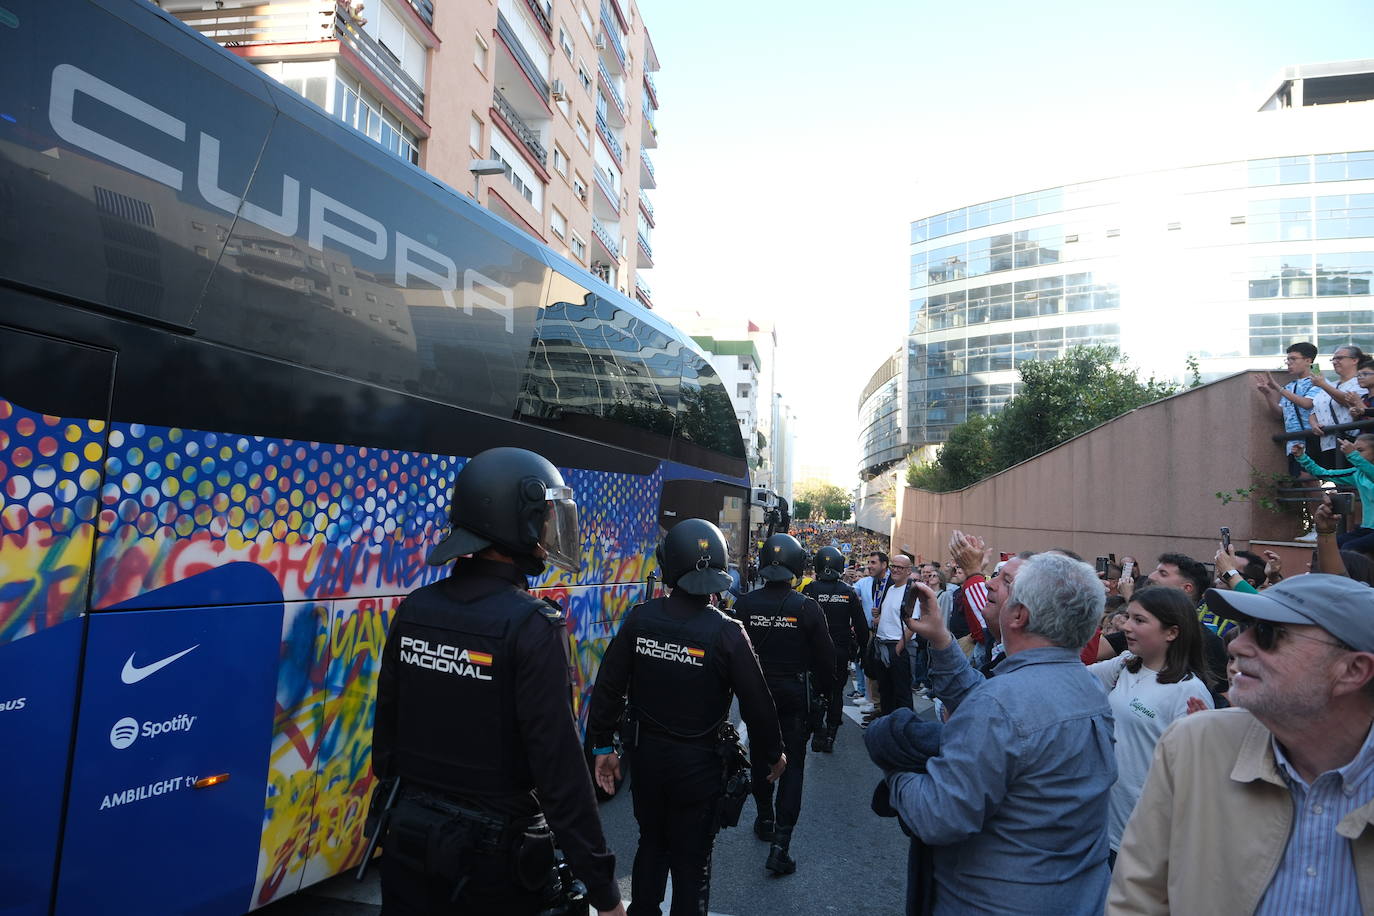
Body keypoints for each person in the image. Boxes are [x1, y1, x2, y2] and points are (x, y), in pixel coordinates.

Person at [372, 447, 625, 916]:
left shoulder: (415, 608)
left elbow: (386, 739)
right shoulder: (532, 625)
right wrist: (605, 893)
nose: (549, 533)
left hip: (409, 841)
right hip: (492, 863)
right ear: (520, 521)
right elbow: (561, 774)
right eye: (544, 519)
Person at [1107, 574, 1374, 915]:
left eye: (1267, 634)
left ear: (1353, 670)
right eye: (1246, 628)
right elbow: (1137, 898)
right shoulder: (1195, 744)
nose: (1235, 646)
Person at [888, 553, 1117, 913]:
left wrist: (895, 765)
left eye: (1005, 582)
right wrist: (942, 639)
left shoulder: (1001, 703)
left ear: (1019, 615)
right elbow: (995, 702)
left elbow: (936, 816)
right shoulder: (1088, 686)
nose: (989, 585)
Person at [586, 519, 785, 916]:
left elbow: (608, 686)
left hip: (646, 758)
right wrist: (772, 754)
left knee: (651, 843)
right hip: (699, 766)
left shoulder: (640, 619)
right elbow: (758, 704)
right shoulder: (727, 633)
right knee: (692, 860)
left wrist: (603, 746)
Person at [731, 533, 836, 876]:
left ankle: (765, 818)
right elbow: (826, 661)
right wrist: (823, 695)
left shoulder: (744, 605)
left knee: (761, 756)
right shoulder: (806, 607)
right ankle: (781, 845)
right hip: (794, 696)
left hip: (756, 694)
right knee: (793, 767)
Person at [1086, 587, 1215, 865]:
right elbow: (1074, 679)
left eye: (1139, 620)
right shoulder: (1124, 664)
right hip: (1101, 826)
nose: (1126, 626)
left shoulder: (1189, 691)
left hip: (1144, 841)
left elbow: (1196, 777)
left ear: (1172, 632)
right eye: (1128, 617)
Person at [802, 546, 869, 752]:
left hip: (813, 652)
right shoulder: (848, 592)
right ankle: (831, 735)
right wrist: (863, 649)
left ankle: (818, 729)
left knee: (813, 691)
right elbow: (861, 625)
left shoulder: (810, 590)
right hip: (839, 652)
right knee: (836, 693)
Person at [1254, 341, 1319, 478]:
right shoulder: (1290, 386)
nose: (1289, 363)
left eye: (1293, 359)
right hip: (1293, 442)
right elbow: (1279, 414)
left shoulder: (1318, 382)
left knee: (1309, 478)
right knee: (1301, 480)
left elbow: (1307, 403)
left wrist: (1278, 388)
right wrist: (1268, 394)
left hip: (1312, 438)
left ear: (1308, 360)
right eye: (1287, 359)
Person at [870, 553, 917, 716]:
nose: (895, 570)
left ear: (909, 570)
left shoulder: (912, 591)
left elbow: (914, 623)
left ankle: (905, 727)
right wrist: (880, 617)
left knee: (902, 694)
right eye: (893, 566)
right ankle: (888, 726)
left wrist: (898, 648)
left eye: (900, 567)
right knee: (885, 692)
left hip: (898, 647)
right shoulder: (890, 589)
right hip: (882, 646)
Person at [1309, 345, 1367, 470]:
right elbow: (1315, 409)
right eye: (1333, 359)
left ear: (1354, 360)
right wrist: (1314, 424)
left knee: (1352, 477)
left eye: (1340, 358)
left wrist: (1323, 384)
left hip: (1350, 441)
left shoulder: (1360, 383)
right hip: (1327, 443)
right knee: (1335, 478)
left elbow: (1348, 401)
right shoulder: (1331, 385)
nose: (1335, 362)